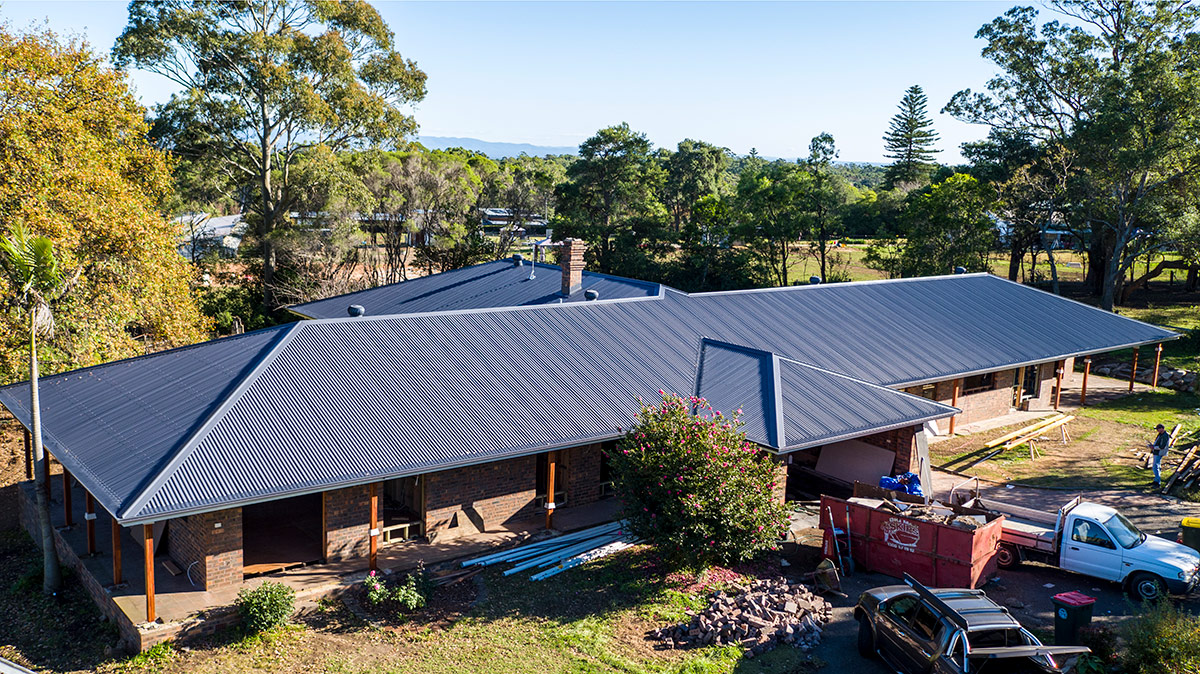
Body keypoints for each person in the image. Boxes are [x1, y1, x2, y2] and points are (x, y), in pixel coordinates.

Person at [1148, 423, 1171, 488]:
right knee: (1155, 466)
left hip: (1159, 452)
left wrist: (1154, 447)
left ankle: (1158, 482)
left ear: (1162, 429)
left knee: (1156, 466)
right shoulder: (1161, 434)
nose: (1157, 430)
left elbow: (1162, 446)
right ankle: (1156, 480)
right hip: (1157, 452)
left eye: (1158, 429)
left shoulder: (1165, 436)